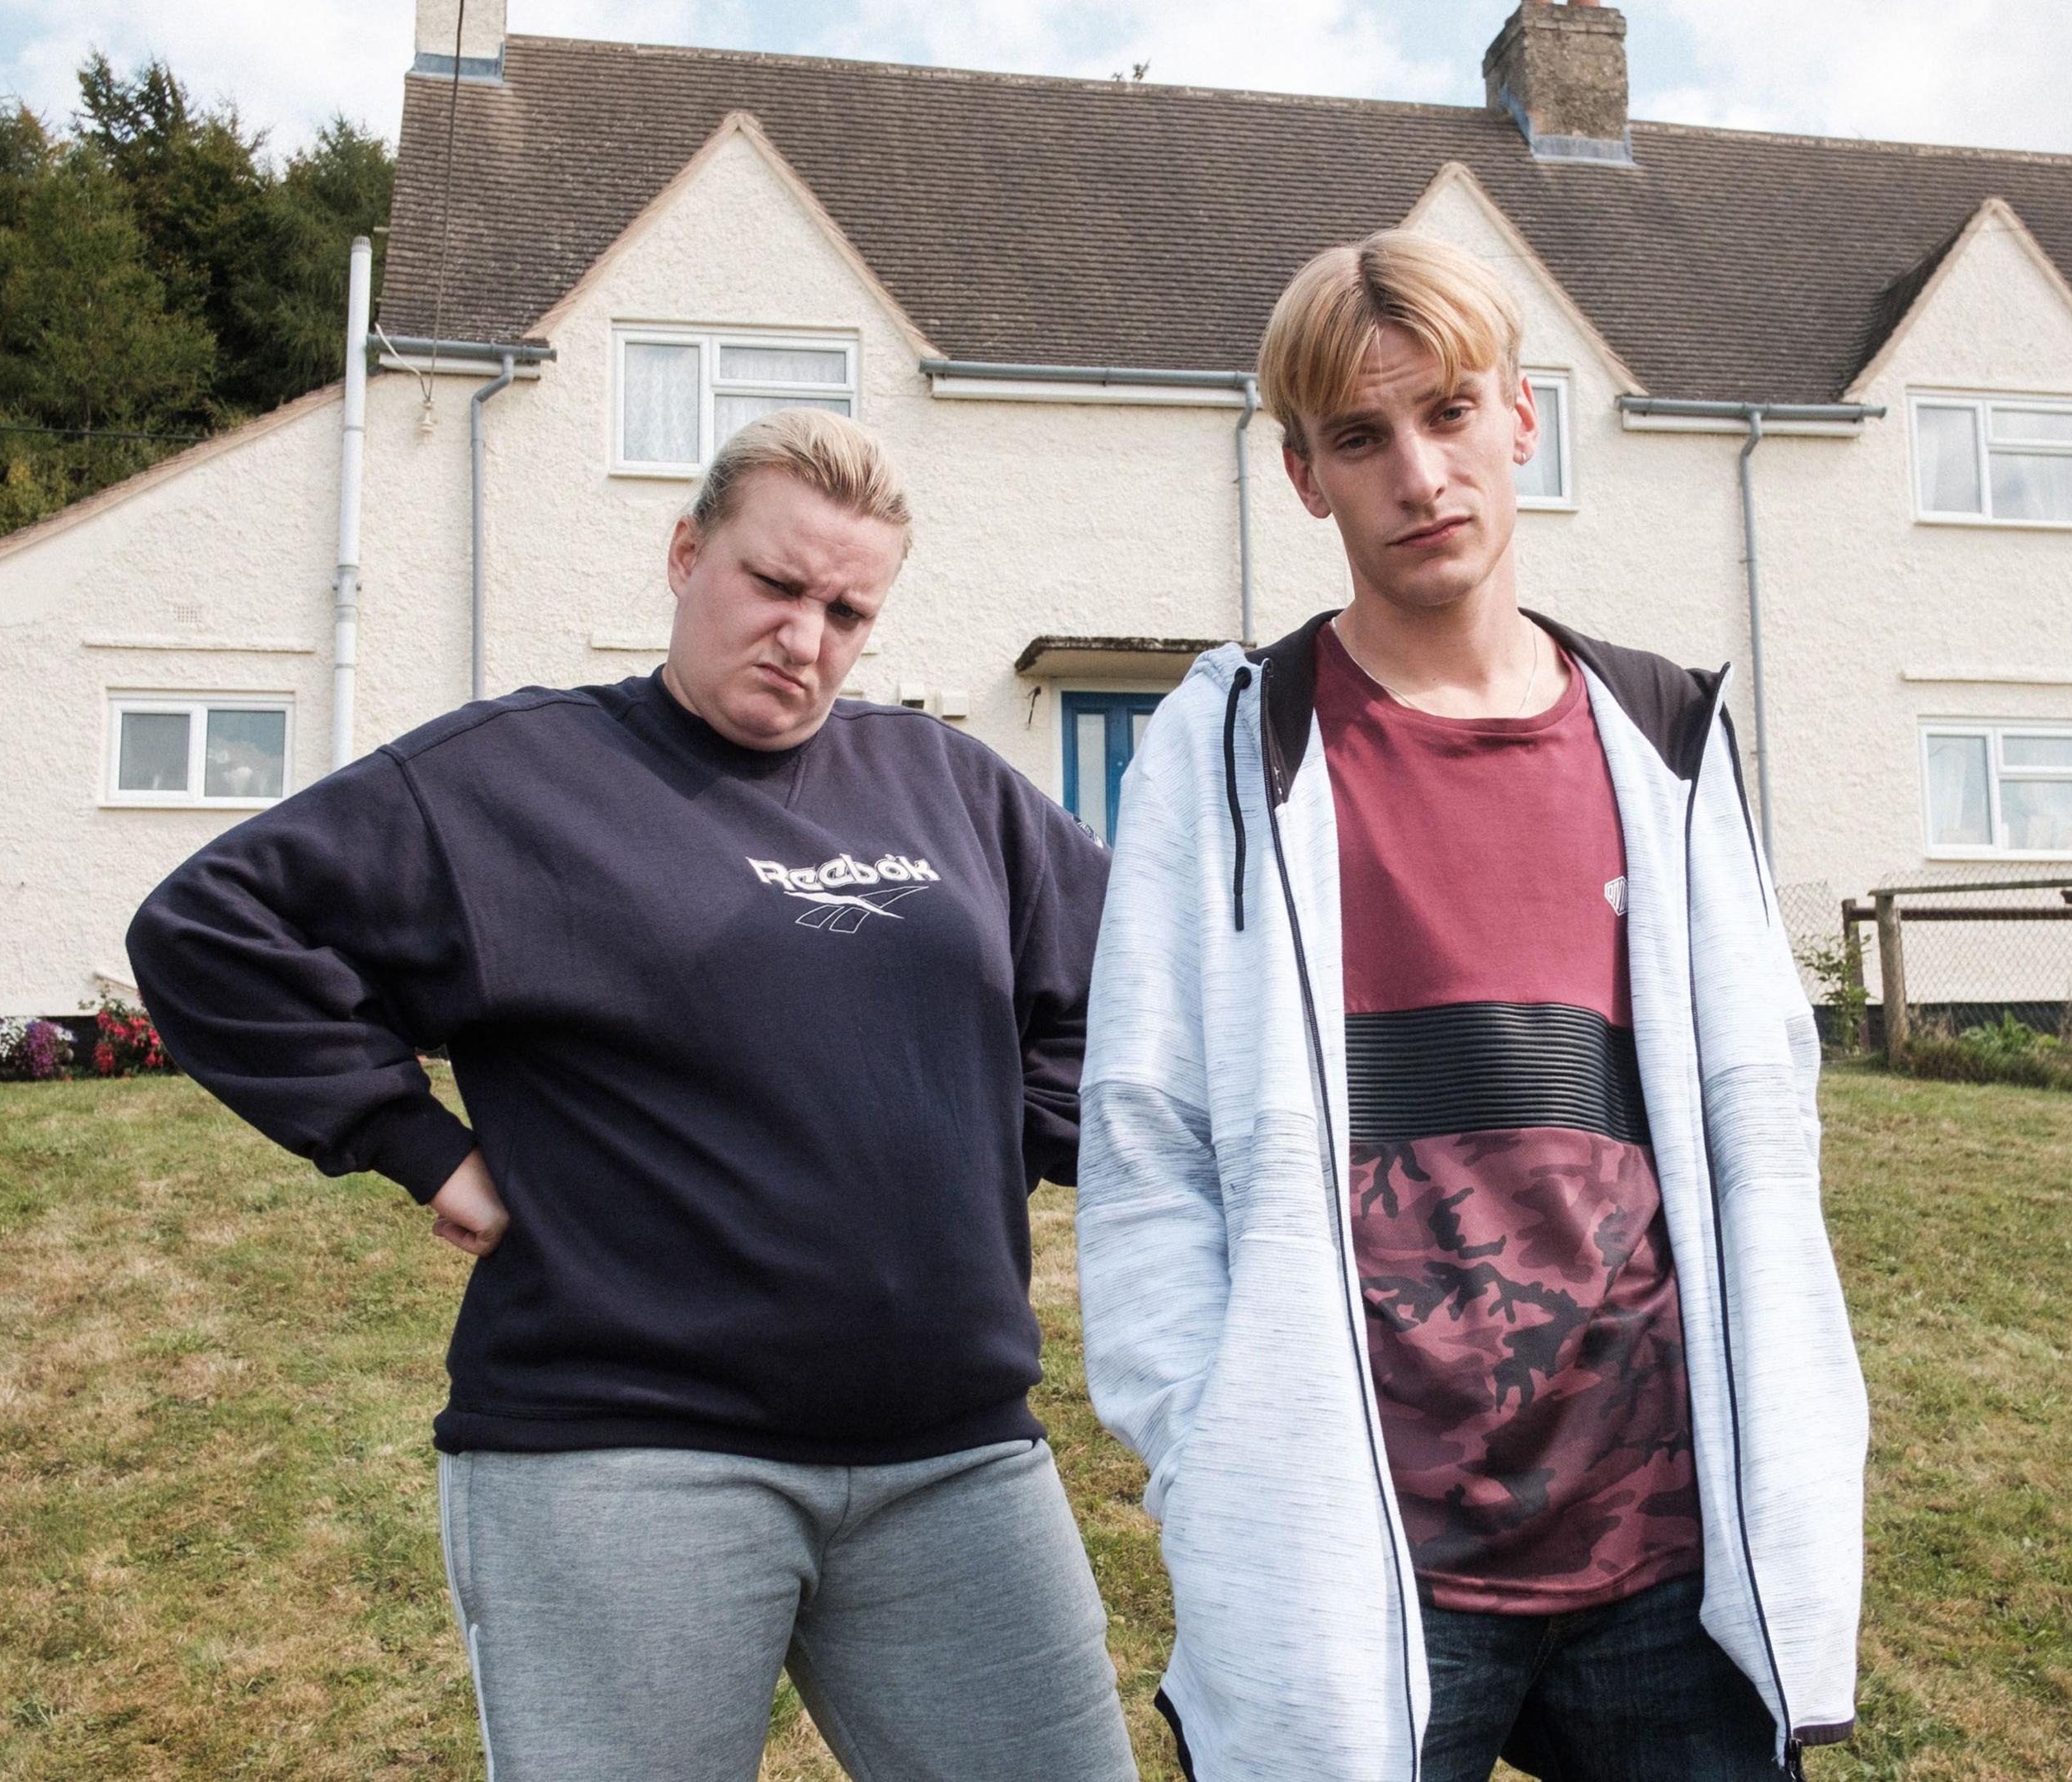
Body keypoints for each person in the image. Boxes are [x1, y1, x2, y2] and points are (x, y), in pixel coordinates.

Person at [127, 410, 1137, 1782]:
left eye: (848, 609)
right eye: (775, 586)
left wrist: (1007, 1139)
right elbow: (211, 928)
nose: (806, 636)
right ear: (684, 554)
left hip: (954, 1460)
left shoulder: (946, 784)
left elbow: (1120, 982)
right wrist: (411, 1142)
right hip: (621, 1461)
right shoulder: (515, 782)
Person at [1075, 231, 1867, 1781]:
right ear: (1303, 475)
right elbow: (1143, 1130)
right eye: (1360, 439)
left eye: (1445, 414)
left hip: (1661, 1546)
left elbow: (1764, 1105)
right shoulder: (1229, 755)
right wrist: (1207, 1441)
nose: (1417, 473)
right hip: (1361, 1539)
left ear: (1521, 417)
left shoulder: (1666, 739)